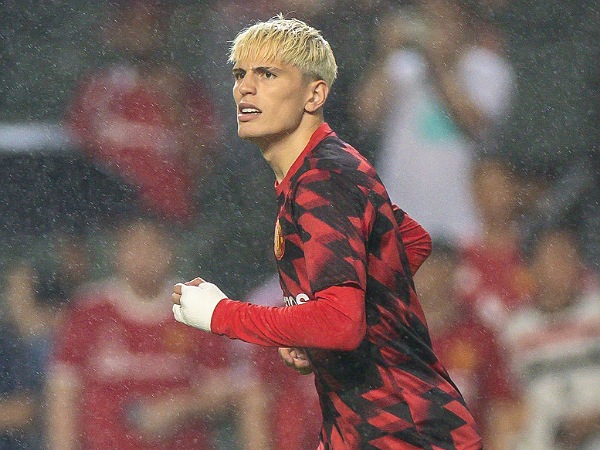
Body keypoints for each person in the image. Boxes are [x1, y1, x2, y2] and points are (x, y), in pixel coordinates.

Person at [172, 16, 481, 449]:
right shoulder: (326, 166)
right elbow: (410, 241)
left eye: (268, 74)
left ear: (315, 94)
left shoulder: (323, 180)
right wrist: (314, 334)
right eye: (240, 74)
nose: (246, 88)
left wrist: (221, 314)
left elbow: (339, 323)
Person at [46, 216, 269, 450]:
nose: (143, 258)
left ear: (170, 252)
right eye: (134, 248)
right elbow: (63, 393)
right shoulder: (89, 311)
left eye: (152, 247)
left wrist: (179, 407)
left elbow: (226, 391)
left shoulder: (197, 308)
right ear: (117, 254)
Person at [354, 0, 515, 242]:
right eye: (430, 22)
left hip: (461, 216)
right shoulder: (404, 64)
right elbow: (364, 113)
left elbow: (474, 122)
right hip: (400, 210)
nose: (437, 31)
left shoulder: (487, 68)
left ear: (464, 23)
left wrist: (440, 66)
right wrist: (385, 53)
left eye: (445, 22)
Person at [65, 0, 221, 225]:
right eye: (130, 21)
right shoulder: (97, 90)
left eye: (150, 23)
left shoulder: (186, 91)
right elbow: (75, 159)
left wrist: (175, 103)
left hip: (166, 221)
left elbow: (202, 167)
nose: (140, 31)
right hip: (105, 218)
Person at [415, 239, 521, 450]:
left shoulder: (480, 336)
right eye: (424, 270)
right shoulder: (391, 336)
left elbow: (502, 403)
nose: (433, 278)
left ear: (455, 273)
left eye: (440, 268)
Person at [502, 227, 600, 450]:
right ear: (532, 268)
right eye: (556, 257)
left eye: (571, 256)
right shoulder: (514, 331)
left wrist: (591, 422)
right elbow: (505, 404)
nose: (566, 265)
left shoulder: (597, 311)